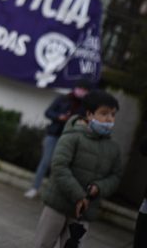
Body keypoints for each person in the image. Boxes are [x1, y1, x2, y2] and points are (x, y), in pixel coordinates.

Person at [33, 89, 122, 248]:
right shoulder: (72, 136)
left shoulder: (113, 149)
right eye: (104, 113)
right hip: (58, 205)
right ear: (89, 114)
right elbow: (59, 167)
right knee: (44, 244)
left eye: (113, 115)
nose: (109, 119)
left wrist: (99, 188)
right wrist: (80, 196)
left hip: (83, 213)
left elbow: (115, 176)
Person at [24, 78, 93, 199]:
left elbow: (87, 122)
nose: (81, 91)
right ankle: (35, 188)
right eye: (80, 88)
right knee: (46, 161)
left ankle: (50, 192)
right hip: (54, 134)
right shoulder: (63, 99)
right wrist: (59, 117)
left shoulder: (85, 107)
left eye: (84, 90)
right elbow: (48, 112)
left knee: (60, 166)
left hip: (69, 138)